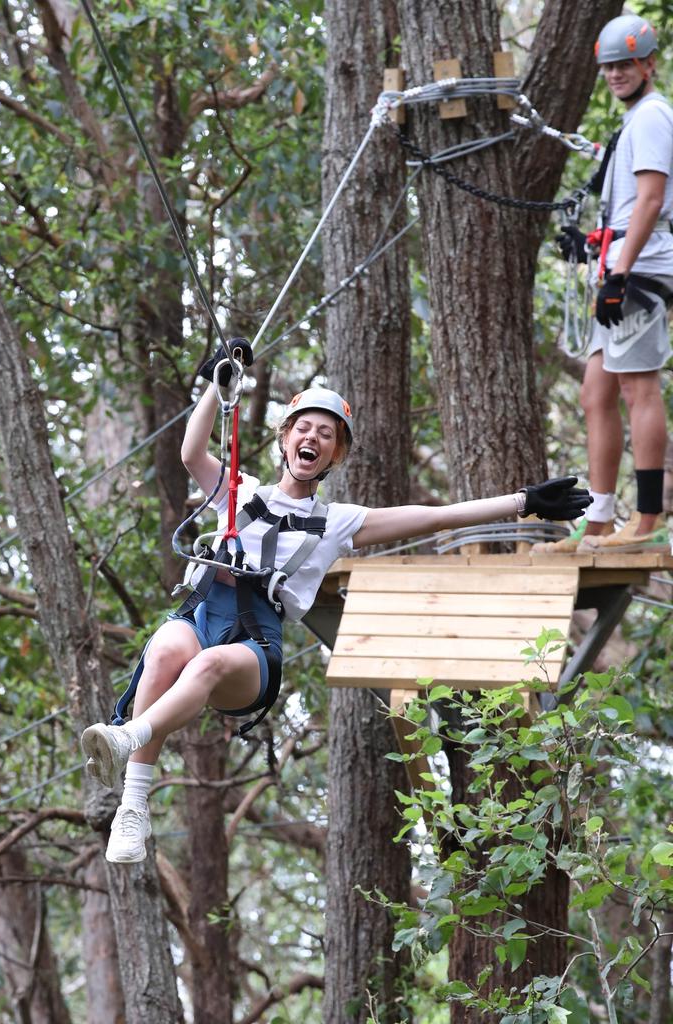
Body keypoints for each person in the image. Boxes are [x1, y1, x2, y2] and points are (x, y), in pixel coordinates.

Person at [81, 342, 591, 863]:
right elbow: (191, 452)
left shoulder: (337, 522)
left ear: (335, 455)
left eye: (326, 434)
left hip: (255, 643)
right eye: (304, 427)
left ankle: (127, 738)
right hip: (202, 610)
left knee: (208, 662)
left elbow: (437, 517)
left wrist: (524, 502)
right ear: (284, 439)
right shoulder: (239, 491)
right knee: (166, 649)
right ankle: (133, 805)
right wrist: (217, 384)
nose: (313, 438)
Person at [538, 13, 672, 555]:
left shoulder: (652, 116)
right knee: (596, 394)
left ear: (649, 64)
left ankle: (645, 521)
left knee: (639, 388)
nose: (616, 74)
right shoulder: (636, 118)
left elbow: (651, 199)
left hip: (640, 270)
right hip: (621, 264)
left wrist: (618, 272)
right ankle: (596, 522)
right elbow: (628, 205)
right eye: (609, 66)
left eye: (626, 64)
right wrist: (597, 246)